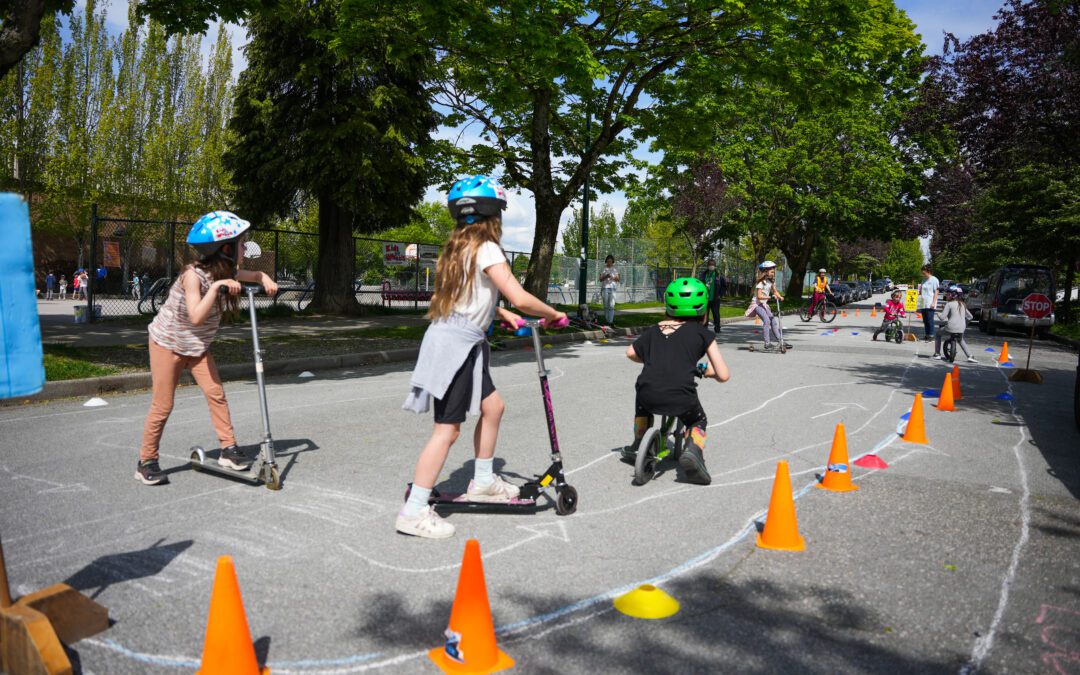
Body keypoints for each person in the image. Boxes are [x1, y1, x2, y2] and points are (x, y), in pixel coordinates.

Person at [399, 175, 568, 539]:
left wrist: (501, 313)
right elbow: (520, 295)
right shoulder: (488, 248)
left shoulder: (456, 248)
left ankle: (485, 479)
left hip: (459, 339)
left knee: (494, 408)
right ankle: (413, 513)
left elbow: (471, 296)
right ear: (493, 214)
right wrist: (552, 313)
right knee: (447, 430)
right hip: (456, 347)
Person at [135, 211, 278, 486]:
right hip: (168, 345)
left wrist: (264, 278)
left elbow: (255, 274)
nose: (245, 248)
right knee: (163, 405)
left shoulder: (229, 271)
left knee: (216, 393)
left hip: (197, 347)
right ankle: (146, 461)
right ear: (225, 249)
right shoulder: (193, 275)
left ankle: (228, 450)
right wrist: (217, 288)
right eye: (241, 244)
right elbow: (196, 315)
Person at [621, 277, 730, 485]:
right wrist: (709, 372)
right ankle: (693, 452)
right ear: (703, 309)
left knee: (643, 399)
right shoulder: (703, 334)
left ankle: (639, 441)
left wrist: (653, 358)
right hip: (681, 398)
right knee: (698, 420)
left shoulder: (654, 330)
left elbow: (630, 353)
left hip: (648, 395)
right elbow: (723, 374)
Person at [746, 261, 787, 351]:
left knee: (773, 321)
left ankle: (781, 341)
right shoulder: (761, 283)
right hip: (757, 304)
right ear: (766, 272)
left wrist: (780, 297)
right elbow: (759, 296)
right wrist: (769, 297)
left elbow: (775, 291)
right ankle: (767, 343)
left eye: (774, 272)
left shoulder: (770, 282)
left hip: (764, 304)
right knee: (767, 320)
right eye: (772, 272)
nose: (773, 274)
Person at [933, 286, 976, 362]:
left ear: (953, 295)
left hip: (950, 327)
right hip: (961, 328)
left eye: (948, 294)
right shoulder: (963, 304)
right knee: (960, 339)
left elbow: (942, 317)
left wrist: (937, 313)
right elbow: (970, 317)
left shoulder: (949, 304)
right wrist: (964, 324)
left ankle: (937, 354)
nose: (946, 295)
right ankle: (970, 356)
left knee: (938, 334)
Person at [699, 259, 726, 332]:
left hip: (715, 298)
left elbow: (724, 286)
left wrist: (720, 294)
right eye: (710, 265)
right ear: (707, 266)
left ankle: (717, 328)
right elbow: (699, 284)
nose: (711, 266)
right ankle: (704, 329)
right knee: (704, 315)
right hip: (705, 298)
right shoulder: (703, 275)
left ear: (715, 266)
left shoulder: (719, 275)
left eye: (713, 265)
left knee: (716, 314)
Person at [917, 264, 940, 342]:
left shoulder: (934, 279)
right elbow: (921, 291)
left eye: (924, 273)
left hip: (930, 302)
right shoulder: (923, 280)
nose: (923, 274)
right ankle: (927, 335)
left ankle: (931, 335)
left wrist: (933, 302)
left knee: (930, 320)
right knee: (925, 320)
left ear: (928, 271)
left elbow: (936, 291)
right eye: (922, 273)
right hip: (923, 302)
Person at [599, 254, 620, 325]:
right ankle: (607, 319)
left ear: (612, 262)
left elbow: (618, 279)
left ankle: (610, 321)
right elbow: (600, 279)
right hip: (605, 288)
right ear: (606, 261)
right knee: (606, 305)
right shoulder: (603, 268)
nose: (609, 263)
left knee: (611, 305)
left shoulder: (615, 269)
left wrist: (613, 277)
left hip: (613, 288)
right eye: (608, 261)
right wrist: (606, 276)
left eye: (610, 261)